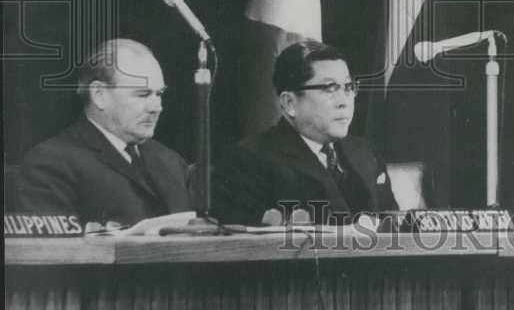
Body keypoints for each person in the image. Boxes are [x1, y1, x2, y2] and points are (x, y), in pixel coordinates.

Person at [213, 41, 397, 225]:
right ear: (289, 104)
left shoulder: (365, 151)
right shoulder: (249, 160)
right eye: (329, 88)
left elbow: (394, 227)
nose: (344, 101)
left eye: (348, 87)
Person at [19, 39, 192, 226]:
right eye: (142, 94)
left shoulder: (170, 161)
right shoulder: (50, 164)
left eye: (159, 94)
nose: (157, 107)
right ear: (99, 95)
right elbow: (56, 251)